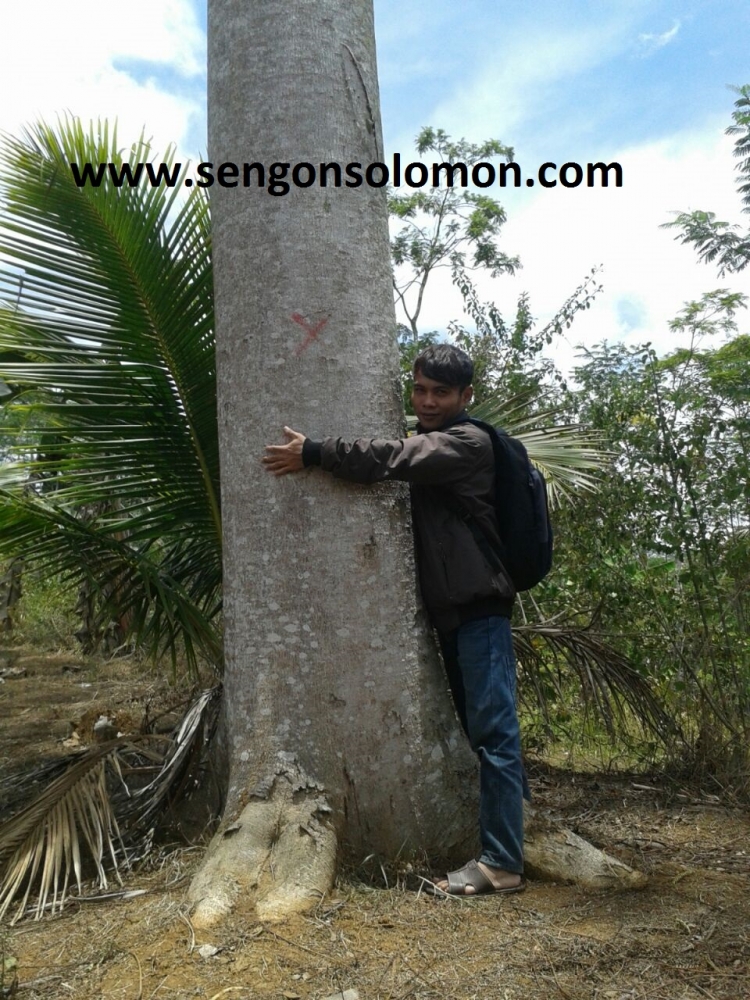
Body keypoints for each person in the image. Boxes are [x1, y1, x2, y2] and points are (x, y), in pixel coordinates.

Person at [262, 343, 526, 896]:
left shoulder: (467, 443)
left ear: (466, 397)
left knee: (496, 736)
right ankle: (502, 842)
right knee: (482, 734)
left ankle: (503, 862)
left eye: (441, 393)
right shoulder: (440, 438)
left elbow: (391, 460)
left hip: (480, 612)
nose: (427, 402)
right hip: (455, 615)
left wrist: (314, 451)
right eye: (420, 389)